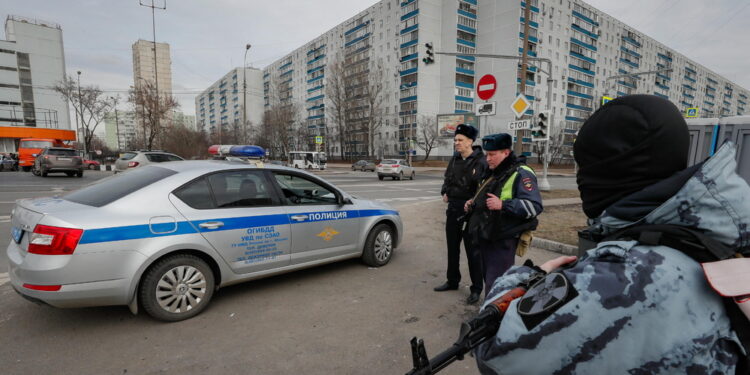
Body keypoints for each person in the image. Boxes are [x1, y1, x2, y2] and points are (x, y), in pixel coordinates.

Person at [475, 95, 746, 374]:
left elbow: (497, 354)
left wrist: (528, 278)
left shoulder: (619, 274)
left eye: (585, 165)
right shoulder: (715, 235)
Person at [464, 133, 542, 296]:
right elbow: (485, 196)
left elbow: (534, 206)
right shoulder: (494, 171)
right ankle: (490, 311)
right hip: (486, 235)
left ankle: (495, 318)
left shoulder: (521, 173)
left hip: (503, 240)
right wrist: (473, 202)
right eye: (486, 154)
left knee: (498, 284)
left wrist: (503, 205)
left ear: (506, 153)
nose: (488, 159)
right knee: (490, 281)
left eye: (492, 154)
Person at [435, 124, 487, 305]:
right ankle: (452, 281)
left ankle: (476, 288)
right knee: (452, 247)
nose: (456, 143)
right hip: (453, 209)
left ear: (470, 141)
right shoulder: (455, 159)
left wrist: (473, 201)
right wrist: (445, 192)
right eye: (455, 140)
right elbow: (447, 178)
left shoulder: (481, 161)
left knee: (473, 252)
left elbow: (484, 187)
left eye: (460, 140)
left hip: (471, 212)